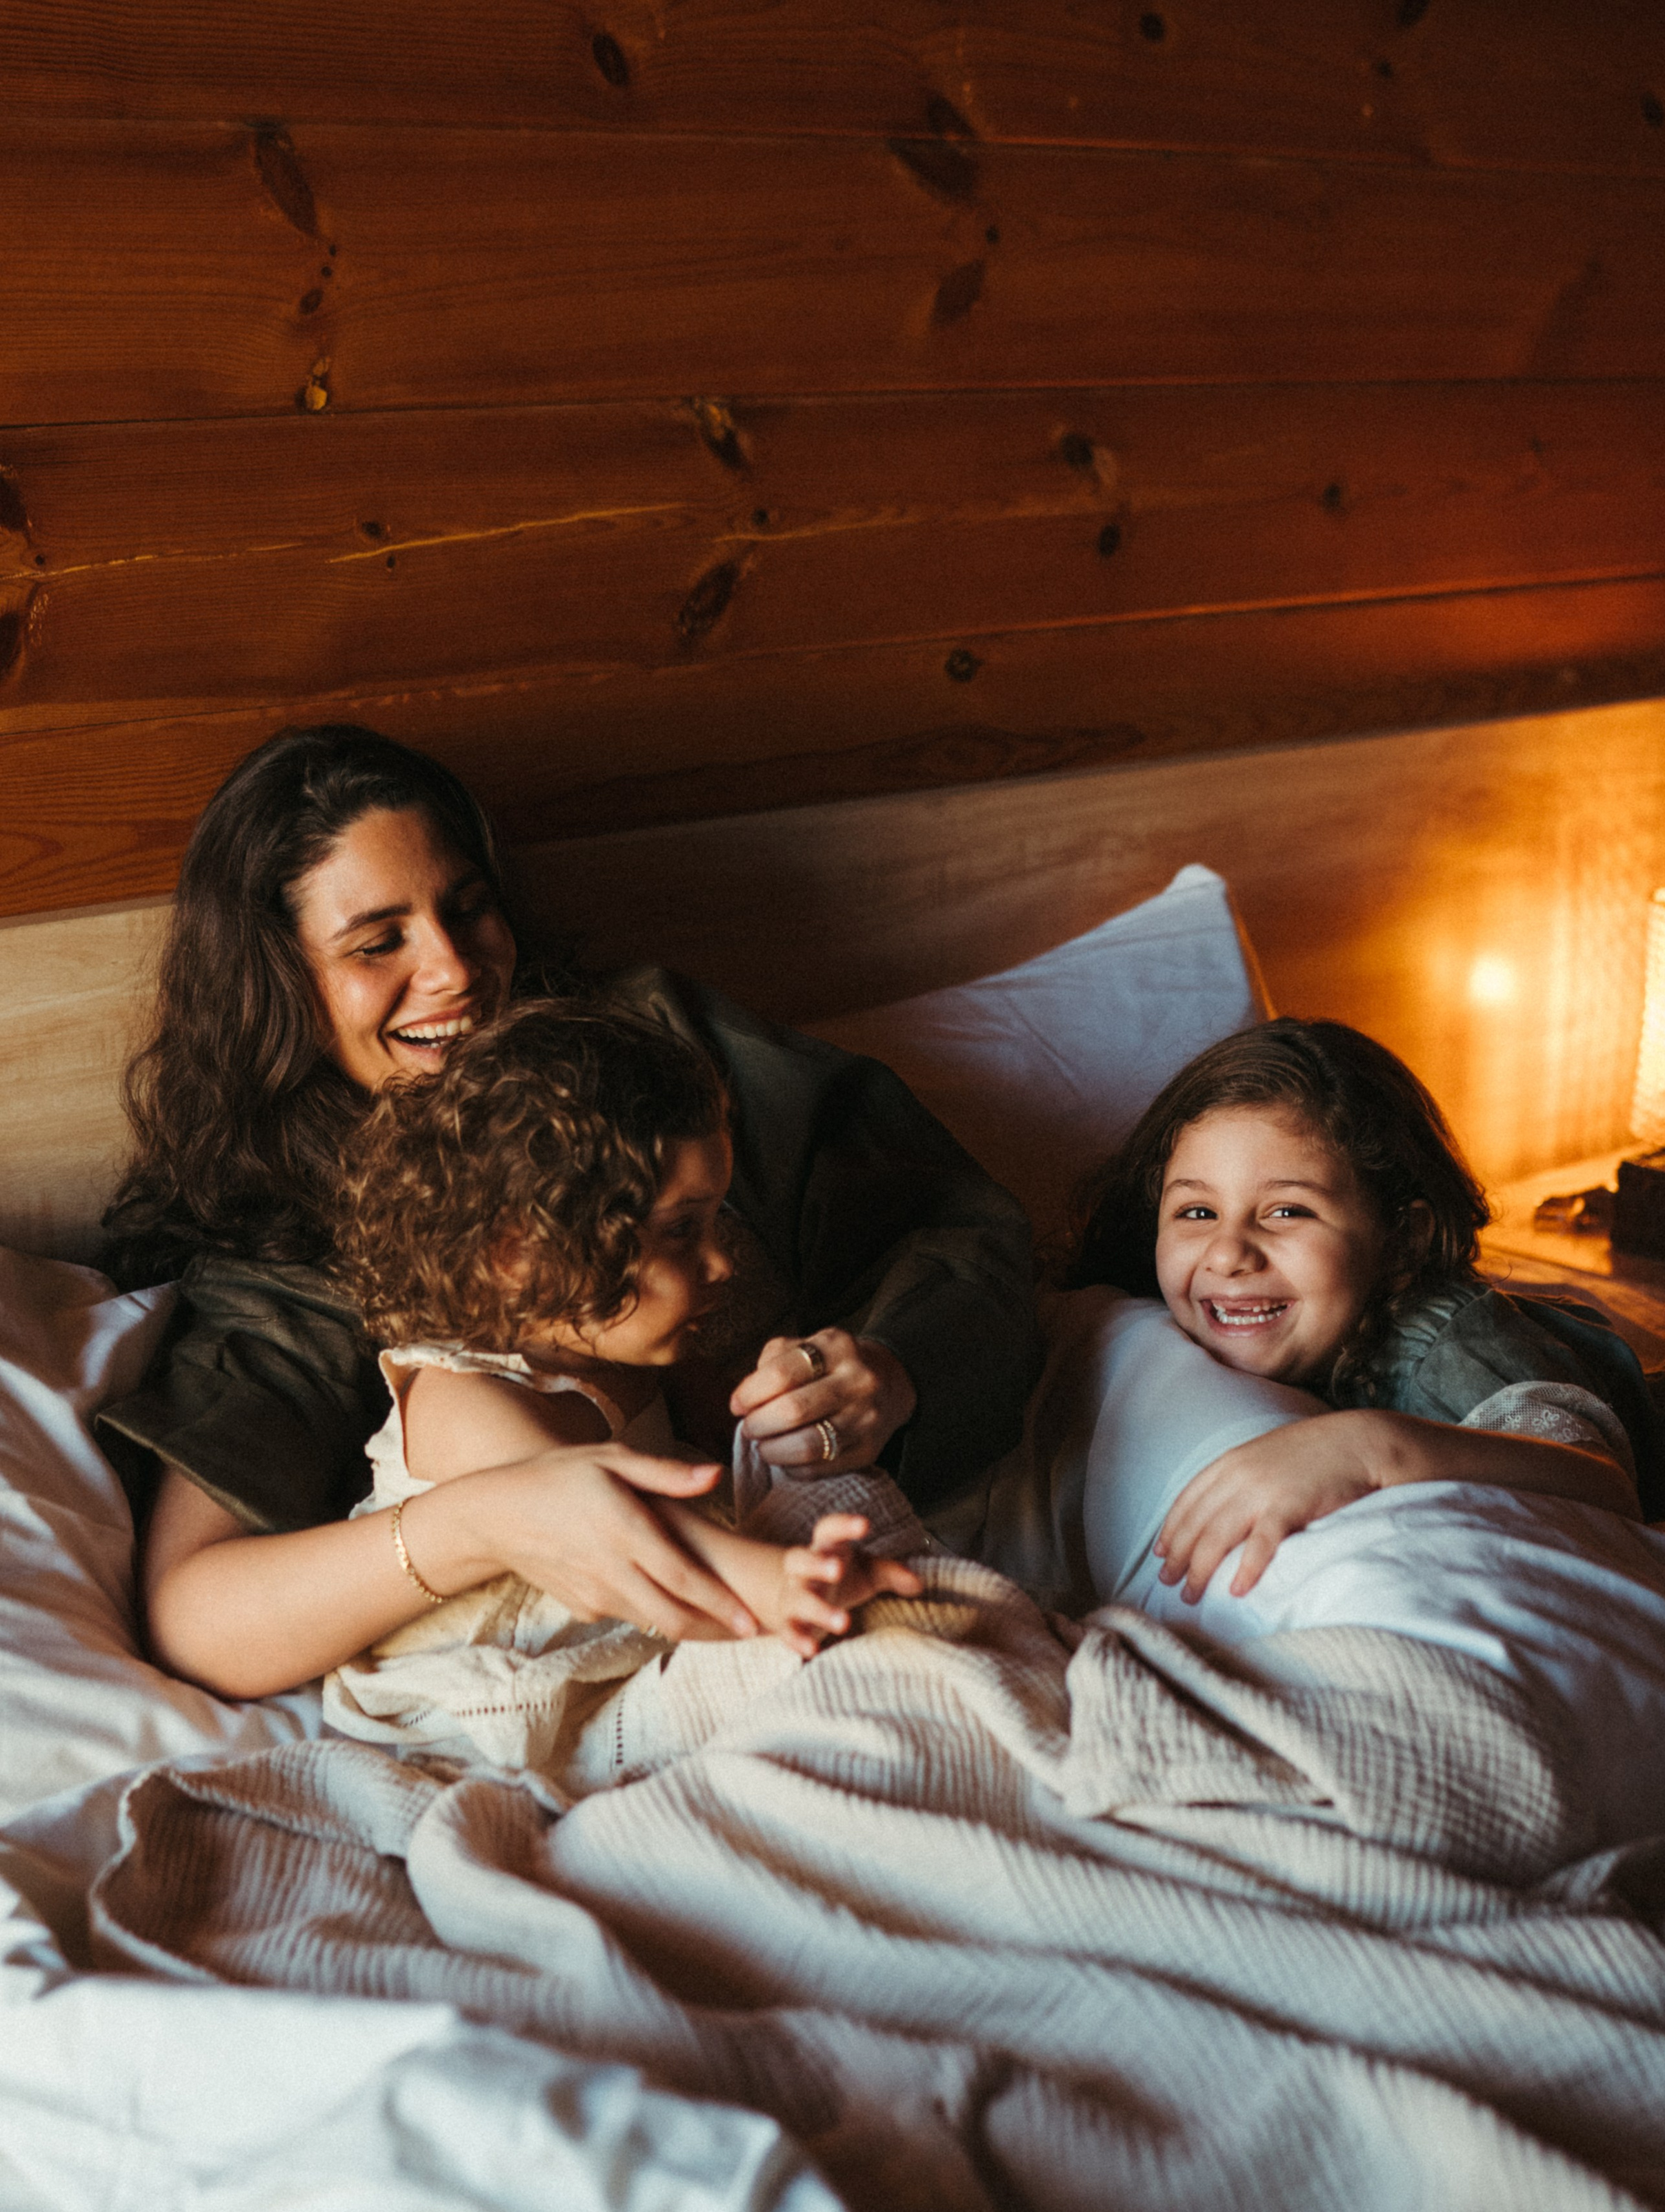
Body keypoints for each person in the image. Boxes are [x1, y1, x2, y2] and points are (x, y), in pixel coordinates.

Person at [99, 723, 1035, 1698]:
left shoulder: (660, 1058)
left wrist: (893, 1369)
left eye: (469, 909)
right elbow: (195, 1614)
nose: (456, 969)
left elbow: (972, 1231)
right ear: (276, 988)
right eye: (379, 942)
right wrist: (489, 1520)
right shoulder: (288, 1250)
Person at [319, 996, 924, 1769]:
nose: (721, 1264)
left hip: (632, 1624)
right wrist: (779, 1584)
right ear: (518, 1253)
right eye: (681, 1230)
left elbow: (723, 1456)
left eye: (714, 1224)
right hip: (483, 1693)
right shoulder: (466, 1400)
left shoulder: (636, 1354)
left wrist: (781, 1407)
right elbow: (618, 1522)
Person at [1064, 1017, 1641, 1604]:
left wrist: (1371, 1448)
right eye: (1197, 1212)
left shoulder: (1443, 1344)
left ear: (1403, 1239)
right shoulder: (1140, 1323)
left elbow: (1601, 1480)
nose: (1229, 1253)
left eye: (1287, 1211)